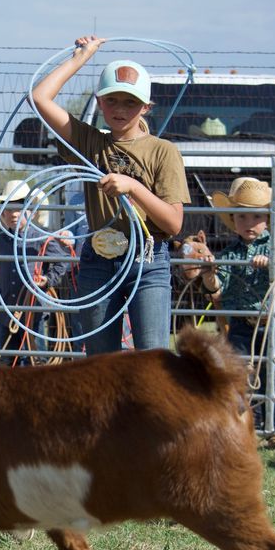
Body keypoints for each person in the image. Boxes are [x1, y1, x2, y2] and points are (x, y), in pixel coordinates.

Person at [30, 36, 188, 354]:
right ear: (99, 102)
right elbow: (40, 97)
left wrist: (134, 187)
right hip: (99, 258)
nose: (119, 109)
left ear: (145, 106)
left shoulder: (163, 151)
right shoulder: (91, 142)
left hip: (148, 258)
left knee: (152, 360)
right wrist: (82, 57)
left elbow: (173, 224)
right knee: (101, 362)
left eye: (129, 102)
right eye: (111, 100)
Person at [198, 178, 275, 448]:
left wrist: (271, 266)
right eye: (241, 216)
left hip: (270, 322)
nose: (249, 222)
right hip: (239, 323)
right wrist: (209, 275)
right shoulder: (229, 253)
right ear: (233, 220)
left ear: (268, 220)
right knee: (240, 374)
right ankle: (247, 425)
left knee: (273, 372)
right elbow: (216, 288)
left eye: (256, 216)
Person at [0, 179, 72, 365]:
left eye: (19, 208)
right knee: (6, 357)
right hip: (5, 310)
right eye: (9, 209)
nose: (13, 214)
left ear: (30, 210)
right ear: (2, 212)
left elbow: (62, 262)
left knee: (34, 357)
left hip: (32, 310)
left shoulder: (41, 238)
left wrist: (47, 279)